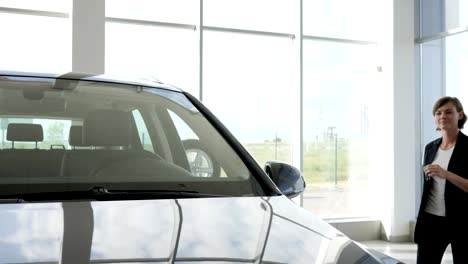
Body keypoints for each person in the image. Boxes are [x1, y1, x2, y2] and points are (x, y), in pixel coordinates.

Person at [414, 96, 468, 264]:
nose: (442, 116)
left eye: (448, 112)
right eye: (438, 113)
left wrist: (446, 174)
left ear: (459, 115)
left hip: (462, 220)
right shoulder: (430, 147)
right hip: (431, 220)